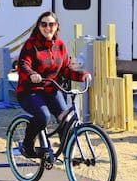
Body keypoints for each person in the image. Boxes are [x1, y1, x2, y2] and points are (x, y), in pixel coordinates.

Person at [16, 11, 92, 158]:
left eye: (51, 24)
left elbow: (65, 69)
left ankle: (68, 156)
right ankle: (27, 145)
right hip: (30, 91)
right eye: (44, 24)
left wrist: (82, 75)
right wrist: (32, 74)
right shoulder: (32, 44)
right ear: (39, 26)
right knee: (43, 117)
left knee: (66, 119)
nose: (48, 27)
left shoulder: (60, 45)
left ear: (57, 27)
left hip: (51, 89)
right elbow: (23, 64)